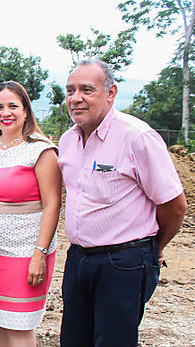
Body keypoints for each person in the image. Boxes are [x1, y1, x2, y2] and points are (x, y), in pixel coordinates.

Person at [58, 60, 187, 346]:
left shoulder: (137, 137)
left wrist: (154, 248)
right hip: (78, 259)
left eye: (87, 90)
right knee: (73, 339)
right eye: (70, 90)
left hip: (124, 262)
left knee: (114, 340)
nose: (76, 98)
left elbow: (174, 206)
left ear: (111, 93)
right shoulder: (67, 141)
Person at [0, 81, 61, 346]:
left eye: (13, 105)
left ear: (26, 111)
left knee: (19, 326)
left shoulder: (41, 149)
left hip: (26, 253)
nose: (5, 112)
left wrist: (39, 255)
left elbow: (53, 205)